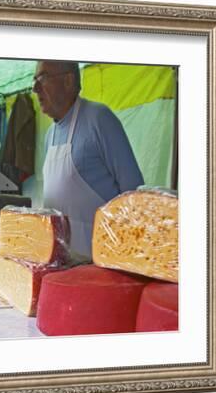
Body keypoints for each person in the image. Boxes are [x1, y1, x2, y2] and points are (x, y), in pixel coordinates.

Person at [34, 60, 144, 258]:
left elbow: (133, 194)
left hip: (99, 263)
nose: (35, 88)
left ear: (68, 80)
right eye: (34, 80)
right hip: (59, 262)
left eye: (43, 78)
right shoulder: (49, 134)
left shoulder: (99, 119)